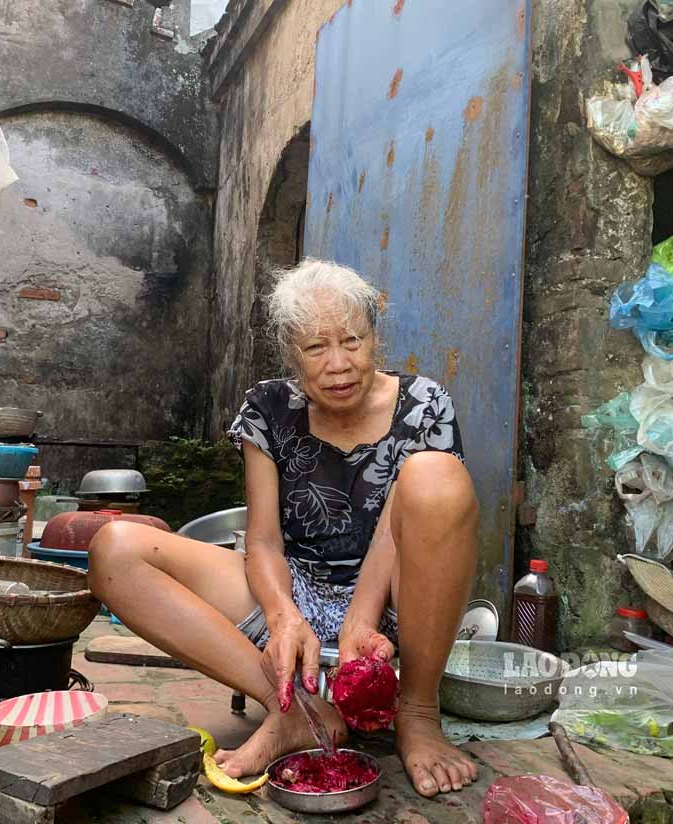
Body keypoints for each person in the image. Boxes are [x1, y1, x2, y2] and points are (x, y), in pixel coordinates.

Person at [89, 259, 480, 797]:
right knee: (116, 548)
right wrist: (283, 617)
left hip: (395, 606)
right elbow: (265, 540)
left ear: (374, 336)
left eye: (352, 341)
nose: (339, 364)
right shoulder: (268, 408)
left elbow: (396, 533)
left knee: (436, 476)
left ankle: (416, 711)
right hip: (297, 596)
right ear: (291, 353)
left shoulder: (424, 404)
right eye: (316, 348)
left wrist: (361, 618)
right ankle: (293, 706)